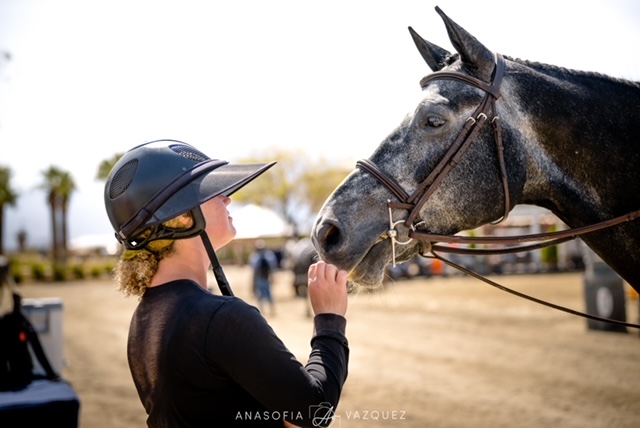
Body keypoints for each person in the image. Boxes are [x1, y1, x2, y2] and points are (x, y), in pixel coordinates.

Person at [103, 139, 349, 427]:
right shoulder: (220, 319)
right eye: (211, 191)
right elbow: (314, 410)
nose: (227, 199)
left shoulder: (144, 319)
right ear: (182, 217)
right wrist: (329, 320)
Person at [249, 239, 277, 316]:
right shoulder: (269, 255)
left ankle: (263, 311)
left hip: (259, 279)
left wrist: (253, 282)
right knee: (268, 294)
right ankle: (272, 310)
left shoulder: (254, 257)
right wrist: (272, 277)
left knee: (260, 296)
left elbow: (254, 270)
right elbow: (272, 268)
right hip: (266, 278)